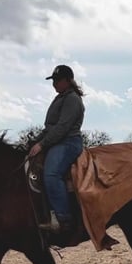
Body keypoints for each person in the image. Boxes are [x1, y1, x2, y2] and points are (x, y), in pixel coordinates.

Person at [28, 64, 85, 235]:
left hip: (68, 142)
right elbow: (49, 128)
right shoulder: (60, 98)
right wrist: (35, 141)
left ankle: (63, 218)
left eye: (57, 80)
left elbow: (63, 127)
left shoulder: (72, 99)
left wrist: (42, 144)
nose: (54, 84)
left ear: (68, 81)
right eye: (53, 80)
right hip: (57, 140)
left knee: (52, 173)